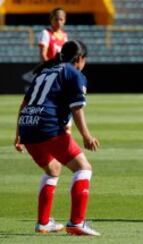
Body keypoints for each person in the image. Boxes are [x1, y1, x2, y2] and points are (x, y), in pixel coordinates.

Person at [14, 40, 100, 236]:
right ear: (80, 59)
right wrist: (86, 136)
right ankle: (76, 223)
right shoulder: (74, 74)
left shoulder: (44, 71)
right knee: (83, 168)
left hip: (28, 127)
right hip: (47, 126)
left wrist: (18, 134)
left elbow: (25, 103)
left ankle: (43, 223)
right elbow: (76, 107)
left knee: (53, 169)